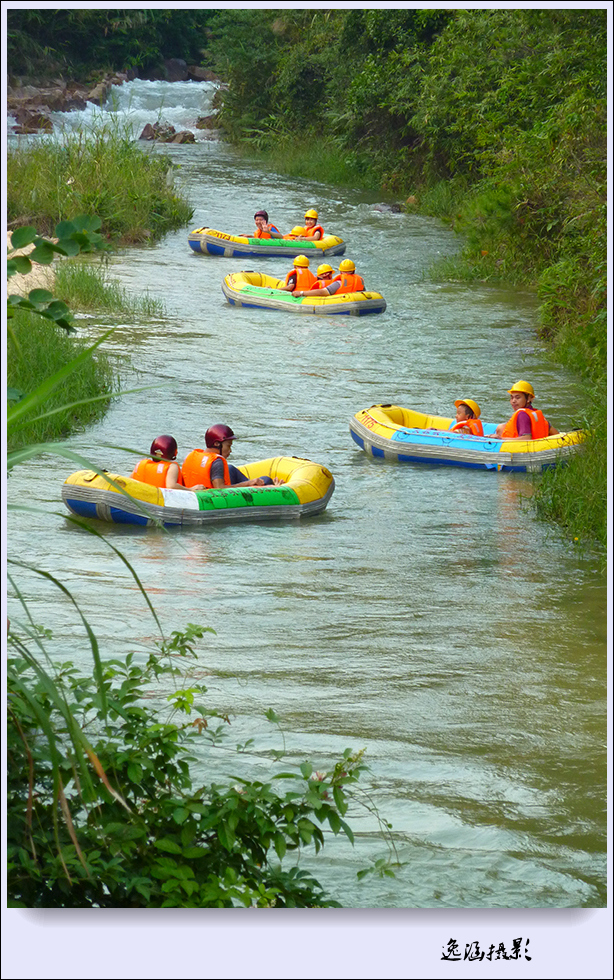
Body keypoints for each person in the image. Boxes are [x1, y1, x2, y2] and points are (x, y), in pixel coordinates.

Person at [182, 425, 282, 489]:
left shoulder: (193, 455)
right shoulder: (217, 462)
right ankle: (275, 485)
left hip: (197, 488)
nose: (230, 450)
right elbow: (220, 489)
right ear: (217, 444)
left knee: (230, 468)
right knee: (266, 480)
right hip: (209, 496)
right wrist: (250, 483)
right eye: (228, 446)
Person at [132, 436, 206, 491]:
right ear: (175, 453)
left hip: (141, 499)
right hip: (161, 502)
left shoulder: (141, 463)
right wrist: (191, 489)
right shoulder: (171, 466)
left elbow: (130, 480)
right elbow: (171, 486)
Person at [494, 381, 559, 440]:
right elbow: (556, 434)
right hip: (539, 447)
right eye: (512, 397)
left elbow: (526, 438)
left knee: (500, 428)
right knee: (501, 427)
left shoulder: (522, 414)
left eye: (517, 397)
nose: (513, 401)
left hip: (521, 449)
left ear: (529, 398)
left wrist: (500, 438)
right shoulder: (535, 413)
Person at [292, 258, 364, 298]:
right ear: (354, 270)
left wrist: (301, 293)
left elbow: (322, 292)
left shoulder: (339, 283)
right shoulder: (360, 281)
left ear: (341, 271)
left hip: (341, 303)